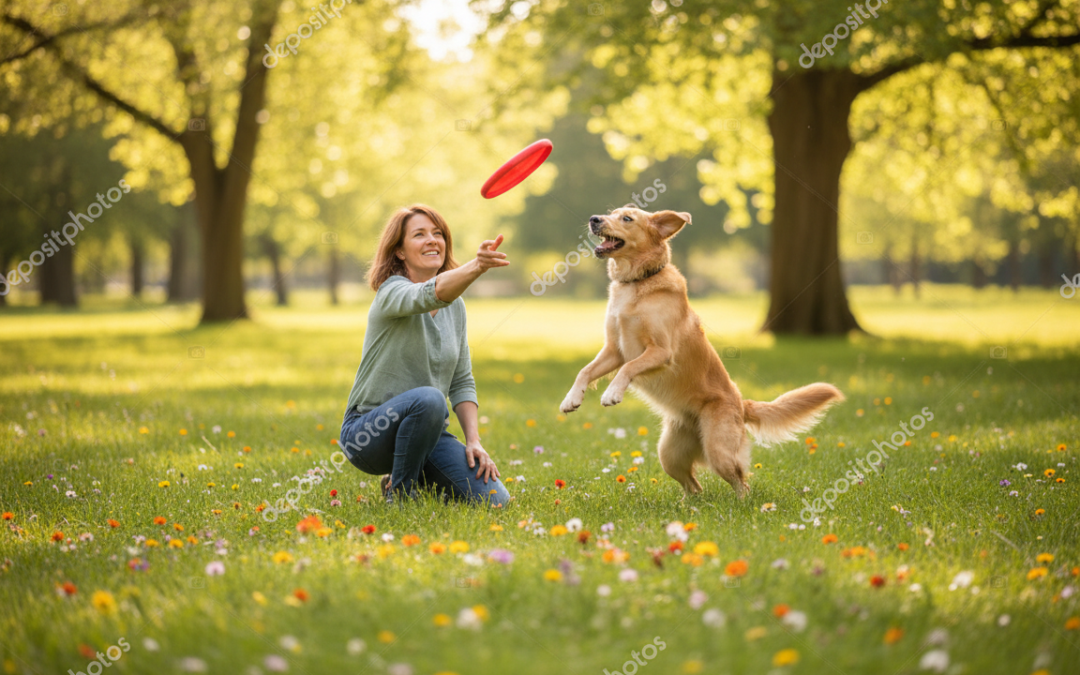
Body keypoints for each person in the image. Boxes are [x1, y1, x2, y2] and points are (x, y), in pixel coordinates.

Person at [339, 204, 511, 506]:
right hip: (367, 433)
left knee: (495, 499)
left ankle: (408, 473)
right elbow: (426, 295)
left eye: (438, 234)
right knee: (431, 398)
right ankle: (401, 493)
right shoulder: (391, 293)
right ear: (400, 251)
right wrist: (477, 266)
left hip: (425, 431)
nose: (433, 240)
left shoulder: (455, 307)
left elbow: (461, 380)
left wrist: (474, 441)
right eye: (419, 234)